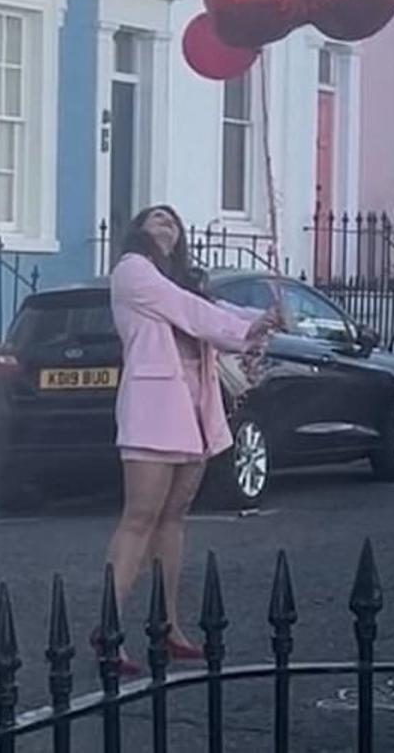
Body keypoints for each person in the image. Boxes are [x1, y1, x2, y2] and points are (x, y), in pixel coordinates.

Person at [93, 205, 280, 674]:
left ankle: (168, 625)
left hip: (193, 410)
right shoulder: (132, 272)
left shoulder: (179, 281)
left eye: (173, 221)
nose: (166, 224)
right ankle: (109, 629)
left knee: (174, 518)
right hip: (153, 410)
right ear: (137, 230)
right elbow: (192, 313)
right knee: (140, 517)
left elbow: (210, 310)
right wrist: (247, 329)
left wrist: (262, 321)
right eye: (156, 218)